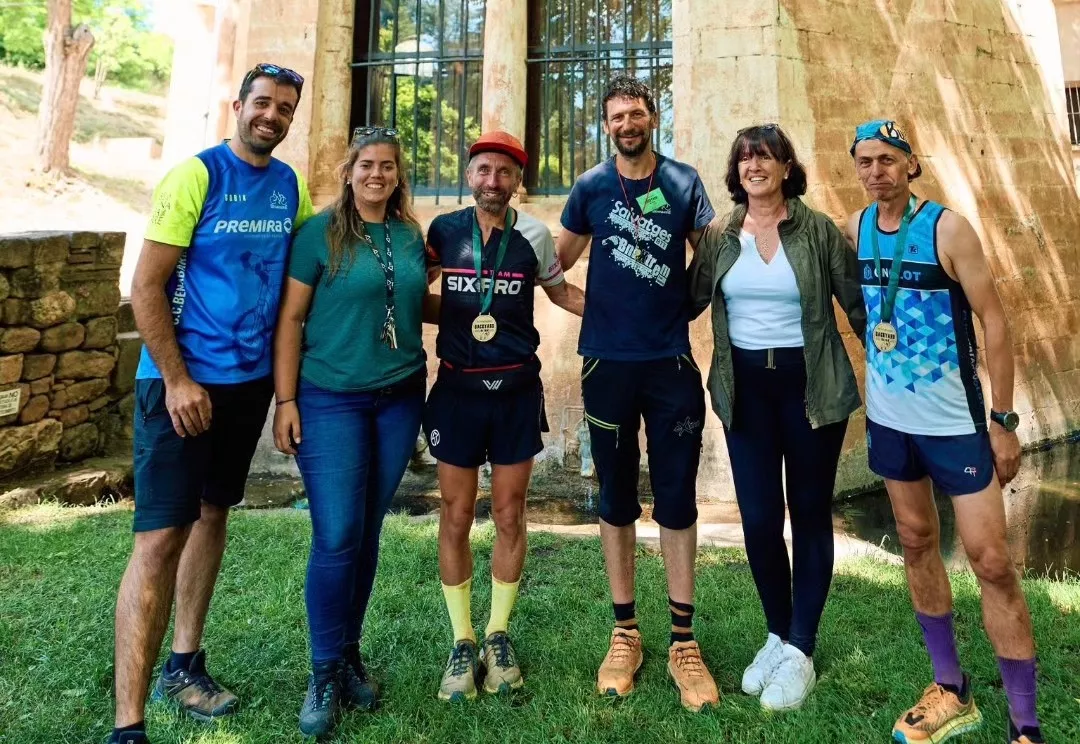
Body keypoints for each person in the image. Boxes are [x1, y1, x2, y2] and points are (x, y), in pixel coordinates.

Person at [109, 64, 313, 744]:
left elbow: (310, 264)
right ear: (238, 105)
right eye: (263, 103)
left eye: (284, 108)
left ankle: (184, 664)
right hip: (180, 385)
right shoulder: (195, 177)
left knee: (212, 513)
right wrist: (176, 379)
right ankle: (128, 725)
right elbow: (146, 285)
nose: (271, 116)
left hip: (246, 386)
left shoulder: (289, 186)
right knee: (159, 538)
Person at [844, 120, 1042, 744]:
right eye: (865, 161)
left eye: (887, 159)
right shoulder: (855, 227)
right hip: (889, 421)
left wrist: (1003, 422)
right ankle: (951, 689)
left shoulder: (947, 229)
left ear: (911, 164)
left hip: (955, 424)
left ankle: (1026, 723)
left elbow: (995, 323)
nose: (876, 171)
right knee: (914, 540)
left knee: (992, 562)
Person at [554, 75, 718, 712]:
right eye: (617, 116)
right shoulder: (591, 187)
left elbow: (711, 260)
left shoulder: (682, 182)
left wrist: (684, 306)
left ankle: (683, 641)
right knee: (616, 496)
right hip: (607, 367)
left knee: (676, 498)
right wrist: (593, 310)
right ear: (606, 125)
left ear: (653, 117)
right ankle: (625, 633)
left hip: (670, 364)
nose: (628, 124)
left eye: (637, 113)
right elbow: (554, 267)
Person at [687, 124, 865, 710]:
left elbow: (860, 306)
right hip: (745, 391)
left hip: (811, 388)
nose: (754, 166)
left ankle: (802, 648)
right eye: (745, 159)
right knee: (760, 519)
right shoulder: (719, 236)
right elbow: (685, 300)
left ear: (788, 167)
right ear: (735, 172)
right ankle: (778, 634)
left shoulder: (818, 231)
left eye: (765, 157)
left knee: (809, 513)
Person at [272, 126, 433, 737]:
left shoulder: (409, 235)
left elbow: (410, 303)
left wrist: (497, 302)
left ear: (398, 175)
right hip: (330, 398)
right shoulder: (318, 234)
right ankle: (321, 672)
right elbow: (291, 319)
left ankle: (347, 656)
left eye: (387, 166)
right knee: (337, 532)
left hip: (399, 396)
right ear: (349, 171)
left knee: (366, 532)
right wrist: (286, 400)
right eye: (366, 165)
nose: (377, 175)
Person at [424, 130, 584, 702]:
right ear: (469, 176)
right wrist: (458, 308)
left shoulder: (535, 236)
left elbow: (561, 294)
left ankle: (497, 633)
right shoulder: (443, 232)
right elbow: (411, 292)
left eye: (505, 173)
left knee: (511, 512)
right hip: (457, 391)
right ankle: (461, 640)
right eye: (484, 170)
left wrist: (626, 316)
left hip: (515, 392)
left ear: (518, 181)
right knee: (456, 512)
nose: (493, 181)